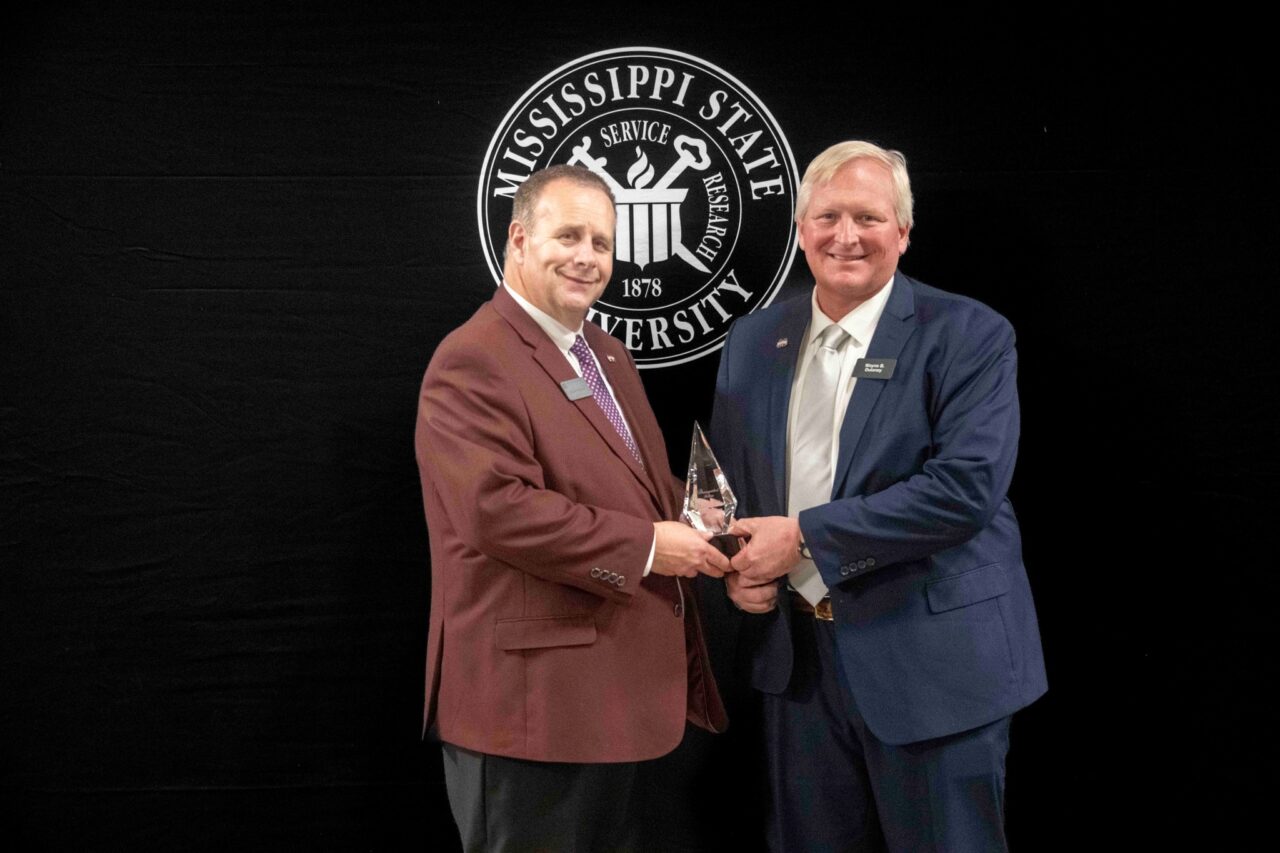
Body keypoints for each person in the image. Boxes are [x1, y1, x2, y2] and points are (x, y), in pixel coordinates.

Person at [710, 141, 1047, 852]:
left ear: (903, 231)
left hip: (933, 667)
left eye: (868, 215)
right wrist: (737, 565)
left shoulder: (970, 334)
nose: (846, 235)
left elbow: (964, 491)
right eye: (827, 216)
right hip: (797, 669)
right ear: (802, 230)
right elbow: (733, 486)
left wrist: (801, 537)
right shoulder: (753, 338)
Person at [415, 164, 731, 851]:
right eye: (569, 235)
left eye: (602, 242)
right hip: (532, 709)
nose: (588, 257)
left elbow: (646, 488)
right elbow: (496, 510)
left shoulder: (606, 354)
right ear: (519, 239)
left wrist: (726, 530)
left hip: (613, 698)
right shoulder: (473, 357)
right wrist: (650, 547)